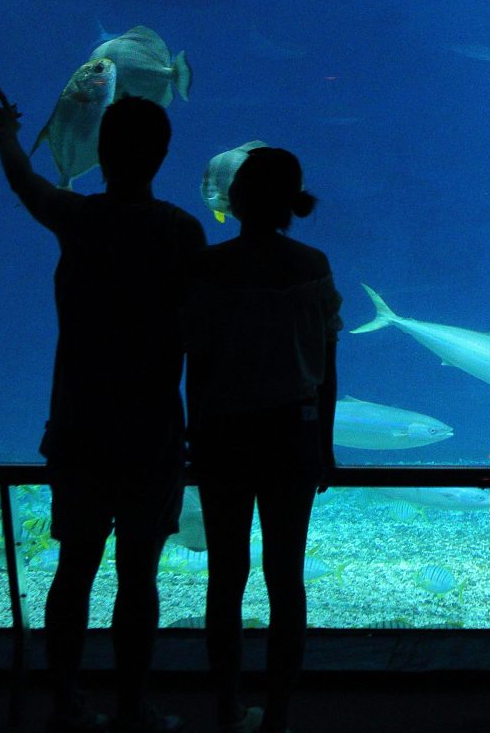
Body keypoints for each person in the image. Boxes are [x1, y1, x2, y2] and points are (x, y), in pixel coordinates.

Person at [0, 91, 206, 733]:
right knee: (138, 574)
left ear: (100, 152)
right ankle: (134, 705)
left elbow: (24, 180)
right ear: (163, 156)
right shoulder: (181, 230)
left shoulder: (77, 216)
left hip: (80, 425)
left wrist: (5, 133)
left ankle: (62, 703)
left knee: (75, 566)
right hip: (151, 431)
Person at [184, 148, 341, 733]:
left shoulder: (208, 265)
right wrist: (325, 445)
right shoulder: (312, 264)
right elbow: (327, 369)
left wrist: (194, 434)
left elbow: (194, 364)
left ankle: (226, 710)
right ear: (292, 203)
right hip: (293, 435)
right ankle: (277, 715)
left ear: (237, 199)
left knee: (225, 577)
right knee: (286, 575)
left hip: (223, 433)